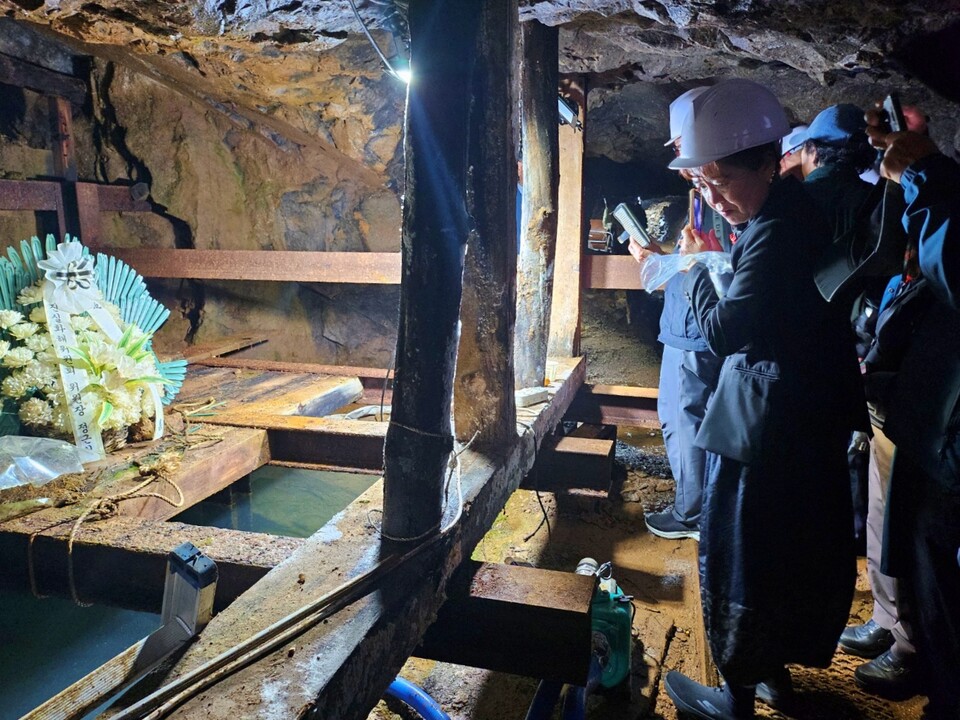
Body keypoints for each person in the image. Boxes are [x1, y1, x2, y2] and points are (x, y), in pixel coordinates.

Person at [654, 79, 864, 720]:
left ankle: (737, 696)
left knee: (742, 547)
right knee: (779, 547)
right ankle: (769, 672)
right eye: (702, 187)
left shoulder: (774, 233)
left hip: (765, 420)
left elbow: (724, 332)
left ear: (768, 163)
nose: (715, 199)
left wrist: (697, 271)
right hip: (797, 413)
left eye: (721, 183)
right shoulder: (795, 207)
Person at [860, 110, 960, 720]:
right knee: (922, 556)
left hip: (948, 437)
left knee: (942, 573)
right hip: (933, 420)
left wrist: (923, 175)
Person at [635, 86, 731, 542]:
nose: (675, 155)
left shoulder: (718, 198)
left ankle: (692, 514)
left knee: (683, 417)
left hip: (695, 332)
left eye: (678, 146)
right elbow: (696, 261)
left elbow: (715, 265)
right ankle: (700, 507)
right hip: (690, 326)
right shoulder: (705, 194)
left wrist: (660, 263)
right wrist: (657, 259)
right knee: (687, 416)